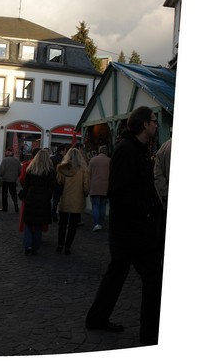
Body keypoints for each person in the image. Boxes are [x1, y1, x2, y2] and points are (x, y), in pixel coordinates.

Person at [86, 106, 165, 344]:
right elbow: (118, 192)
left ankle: (97, 318)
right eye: (153, 121)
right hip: (133, 232)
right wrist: (147, 212)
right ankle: (149, 334)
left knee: (117, 275)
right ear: (143, 125)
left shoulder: (135, 149)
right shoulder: (127, 150)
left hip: (131, 231)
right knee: (153, 279)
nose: (156, 124)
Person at [19, 149, 56, 255]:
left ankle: (27, 245)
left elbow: (26, 186)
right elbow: (53, 186)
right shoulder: (50, 171)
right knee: (38, 225)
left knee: (28, 224)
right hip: (43, 201)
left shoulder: (31, 169)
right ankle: (35, 247)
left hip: (31, 199)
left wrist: (23, 195)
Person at [56, 148, 90, 255]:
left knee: (62, 224)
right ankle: (68, 246)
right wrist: (85, 194)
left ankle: (60, 244)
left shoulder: (62, 168)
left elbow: (59, 182)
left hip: (65, 199)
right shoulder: (84, 170)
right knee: (72, 225)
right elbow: (86, 187)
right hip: (77, 199)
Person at [88, 146, 111, 231]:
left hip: (95, 186)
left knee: (95, 206)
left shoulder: (93, 160)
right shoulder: (110, 161)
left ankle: (96, 223)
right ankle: (100, 223)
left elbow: (88, 174)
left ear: (99, 151)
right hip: (106, 187)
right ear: (106, 152)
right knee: (103, 206)